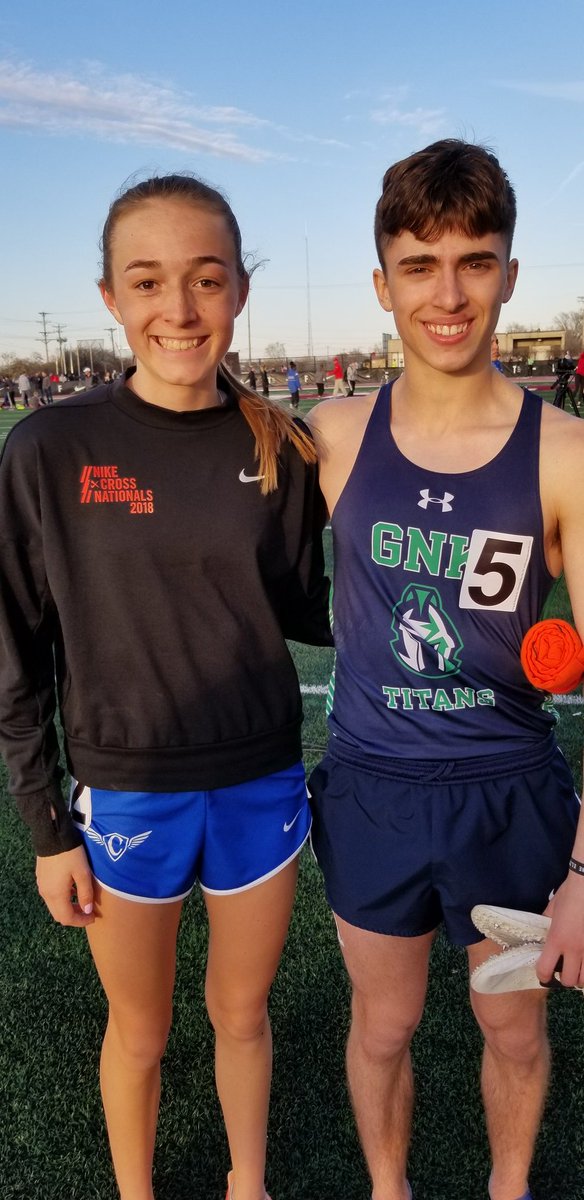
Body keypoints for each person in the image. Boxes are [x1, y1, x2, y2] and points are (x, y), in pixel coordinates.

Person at [0, 173, 331, 1200]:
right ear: (109, 296)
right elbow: (16, 649)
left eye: (206, 278)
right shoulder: (51, 448)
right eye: (147, 282)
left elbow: (306, 607)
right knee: (139, 1031)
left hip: (260, 782)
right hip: (125, 793)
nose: (178, 309)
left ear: (239, 290)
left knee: (241, 1015)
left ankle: (247, 1185)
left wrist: (435, 604)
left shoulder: (279, 443)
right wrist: (47, 827)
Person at [307, 139, 584, 1200]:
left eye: (475, 261)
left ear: (509, 274)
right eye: (419, 266)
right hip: (373, 796)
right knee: (382, 1026)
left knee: (510, 1027)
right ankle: (391, 1191)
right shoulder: (333, 436)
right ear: (383, 284)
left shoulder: (563, 454)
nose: (449, 294)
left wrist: (582, 872)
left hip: (506, 808)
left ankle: (507, 1189)